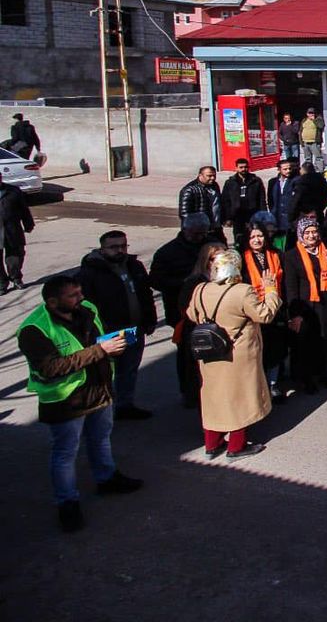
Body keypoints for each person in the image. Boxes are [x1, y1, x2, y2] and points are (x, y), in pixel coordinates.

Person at [17, 275, 143, 531]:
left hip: (98, 389)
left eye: (79, 291)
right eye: (73, 295)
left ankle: (107, 478)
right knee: (65, 453)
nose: (81, 298)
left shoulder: (87, 310)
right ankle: (67, 503)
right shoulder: (34, 330)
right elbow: (51, 368)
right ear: (53, 302)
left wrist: (111, 345)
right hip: (66, 401)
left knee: (101, 438)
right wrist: (101, 351)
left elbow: (95, 339)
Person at [186, 248, 281, 459]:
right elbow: (264, 315)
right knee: (239, 398)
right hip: (237, 353)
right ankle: (236, 447)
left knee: (213, 397)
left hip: (210, 352)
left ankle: (212, 444)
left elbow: (192, 314)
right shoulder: (242, 291)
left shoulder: (200, 289)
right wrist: (271, 290)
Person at [77, 230, 156, 421]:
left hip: (134, 328)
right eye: (114, 247)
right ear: (102, 249)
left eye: (123, 246)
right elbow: (85, 307)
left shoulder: (134, 266)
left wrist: (149, 319)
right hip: (109, 332)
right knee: (107, 373)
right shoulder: (90, 272)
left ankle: (124, 405)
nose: (120, 250)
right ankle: (104, 411)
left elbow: (145, 294)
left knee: (129, 369)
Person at [149, 214, 220, 406]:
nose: (198, 237)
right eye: (195, 234)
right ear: (185, 230)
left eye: (202, 234)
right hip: (180, 311)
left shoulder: (211, 246)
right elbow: (155, 280)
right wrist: (182, 284)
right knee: (187, 354)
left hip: (210, 309)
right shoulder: (168, 252)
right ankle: (189, 392)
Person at [283, 217, 327, 389]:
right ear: (300, 235)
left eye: (314, 231)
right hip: (306, 305)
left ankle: (326, 371)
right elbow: (291, 286)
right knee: (307, 342)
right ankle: (307, 378)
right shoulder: (292, 256)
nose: (311, 235)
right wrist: (295, 314)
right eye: (307, 232)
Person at [240, 224, 288, 401]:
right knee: (258, 351)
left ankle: (273, 383)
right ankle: (259, 387)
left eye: (259, 236)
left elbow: (284, 282)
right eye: (252, 237)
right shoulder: (242, 258)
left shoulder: (276, 255)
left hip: (276, 306)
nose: (257, 240)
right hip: (253, 309)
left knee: (276, 348)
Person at [1, 176, 36, 292]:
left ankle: (15, 278)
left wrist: (28, 223)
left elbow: (24, 209)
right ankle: (1, 283)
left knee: (16, 256)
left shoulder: (13, 191)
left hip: (12, 229)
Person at [221, 158, 267, 246]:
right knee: (239, 237)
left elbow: (261, 199)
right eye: (241, 167)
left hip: (253, 213)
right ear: (236, 168)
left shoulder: (256, 181)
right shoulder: (230, 182)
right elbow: (226, 200)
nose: (243, 169)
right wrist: (227, 217)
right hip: (238, 215)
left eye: (245, 167)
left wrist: (263, 215)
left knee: (253, 235)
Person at [178, 166, 222, 237]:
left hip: (216, 228)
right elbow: (184, 214)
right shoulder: (190, 190)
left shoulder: (215, 186)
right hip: (199, 231)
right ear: (200, 175)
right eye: (209, 176)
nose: (212, 178)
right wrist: (197, 229)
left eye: (214, 175)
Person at [267, 158, 300, 238]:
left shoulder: (296, 181)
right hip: (276, 216)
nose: (288, 171)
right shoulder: (273, 182)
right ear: (279, 169)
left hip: (290, 218)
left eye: (289, 168)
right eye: (285, 169)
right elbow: (270, 199)